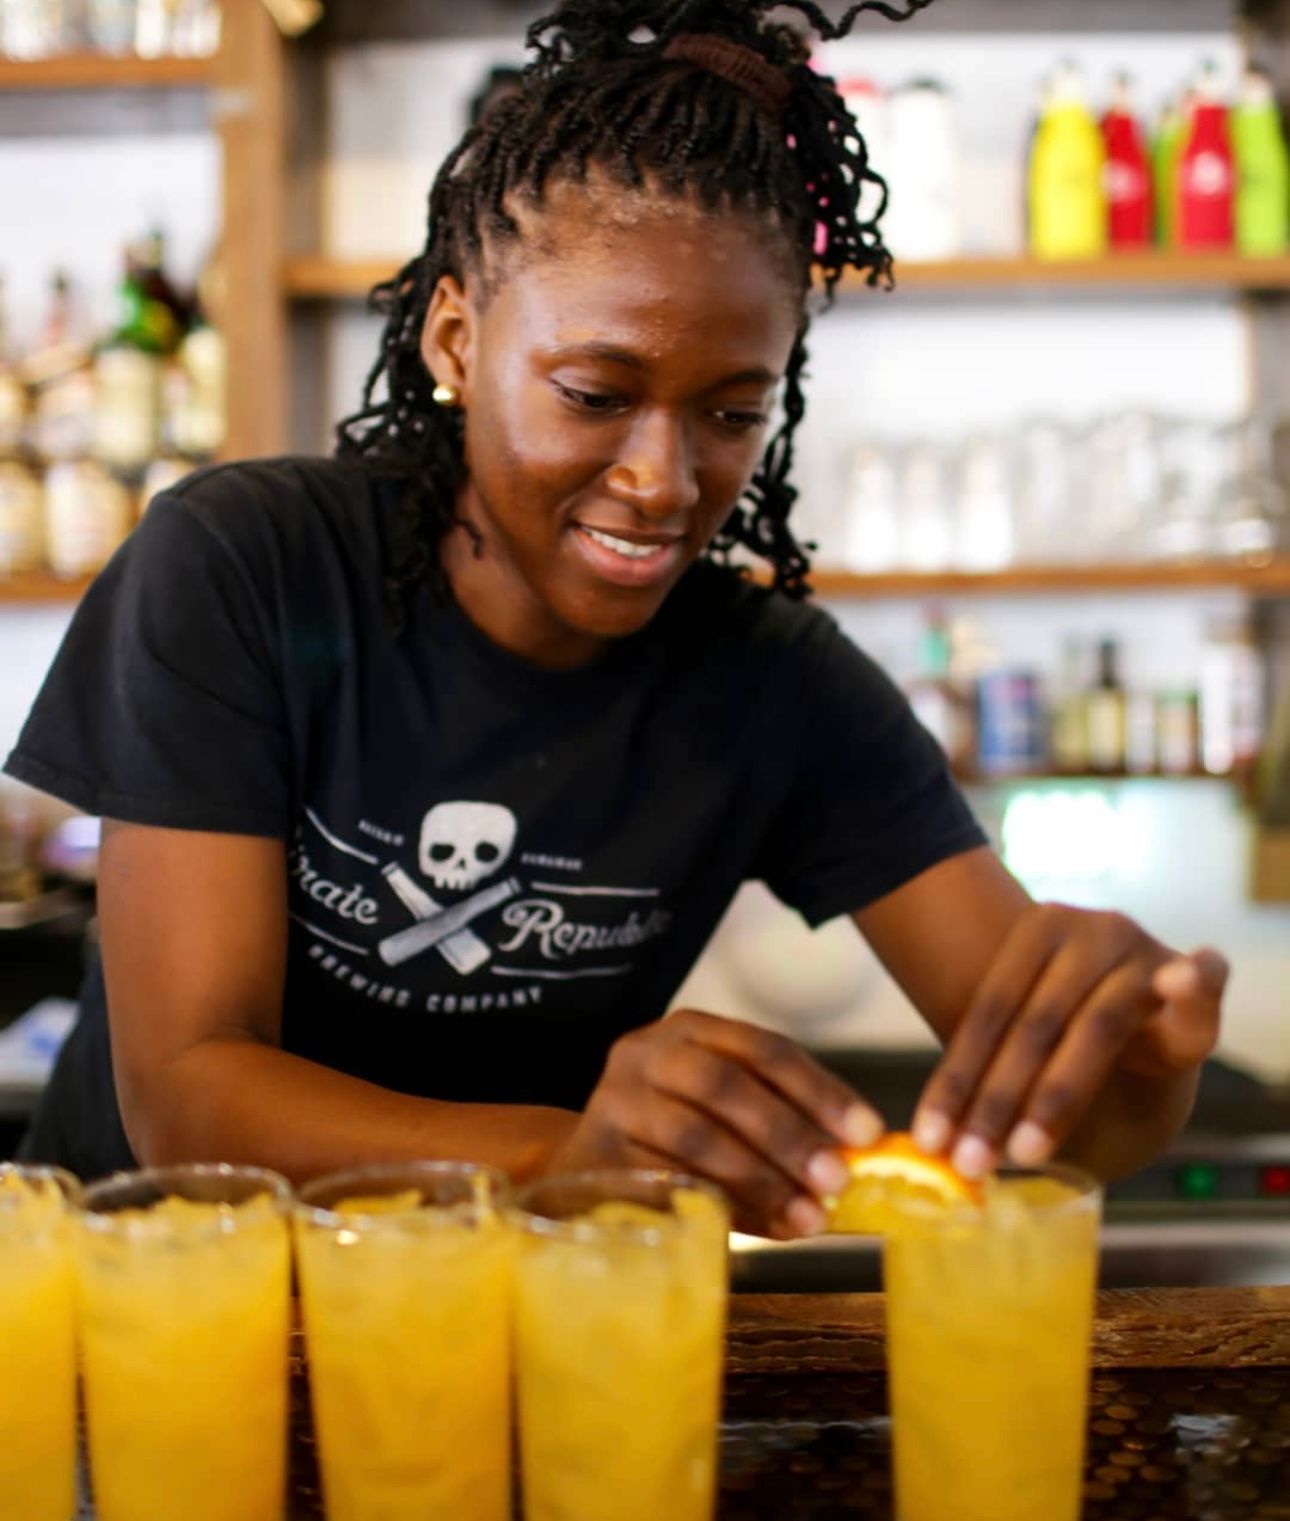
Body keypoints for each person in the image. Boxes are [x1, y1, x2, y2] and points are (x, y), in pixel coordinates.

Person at [6, 0, 1226, 1238]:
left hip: (523, 1341)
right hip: (158, 1328)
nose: (664, 479)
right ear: (456, 338)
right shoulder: (244, 568)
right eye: (596, 393)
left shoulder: (774, 686)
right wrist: (569, 1152)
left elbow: (1066, 1122)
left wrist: (1135, 1052)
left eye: (731, 414)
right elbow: (186, 1097)